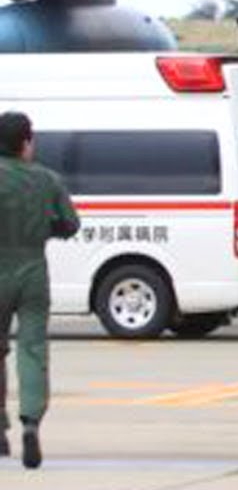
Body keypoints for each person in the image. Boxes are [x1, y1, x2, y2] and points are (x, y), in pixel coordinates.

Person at [0, 111, 79, 469]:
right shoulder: (48, 179)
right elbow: (70, 224)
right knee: (32, 348)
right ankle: (31, 422)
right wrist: (47, 229)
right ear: (26, 142)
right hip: (32, 271)